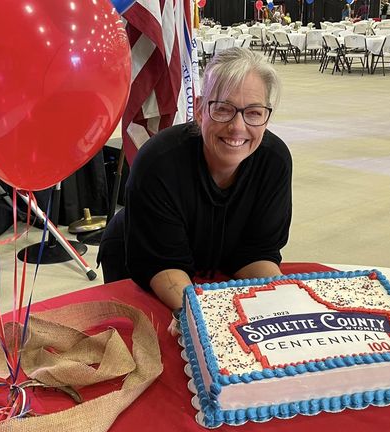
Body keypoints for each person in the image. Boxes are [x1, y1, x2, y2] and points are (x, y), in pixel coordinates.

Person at [98, 48, 292, 324]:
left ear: (266, 117)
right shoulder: (158, 162)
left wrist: (284, 304)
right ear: (200, 110)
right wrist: (206, 323)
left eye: (253, 113)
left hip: (217, 263)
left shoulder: (275, 162)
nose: (238, 127)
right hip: (145, 260)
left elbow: (256, 254)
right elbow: (165, 266)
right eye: (223, 109)